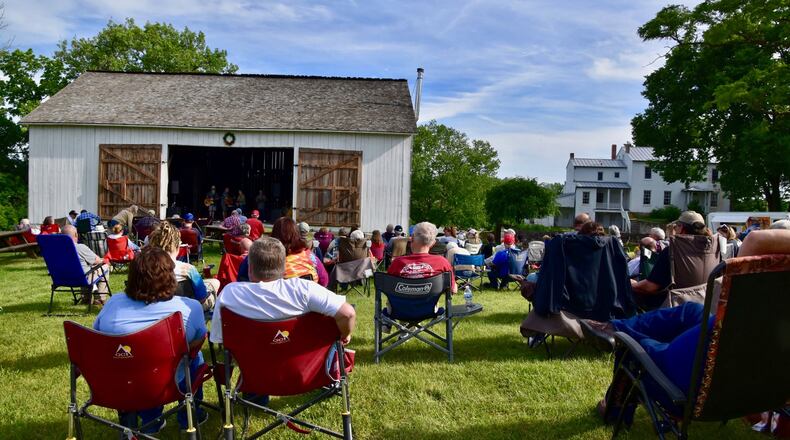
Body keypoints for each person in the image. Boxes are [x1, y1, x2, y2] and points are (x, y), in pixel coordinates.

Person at [584, 229, 790, 422]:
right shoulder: (770, 322)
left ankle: (613, 411)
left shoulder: (745, 323)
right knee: (690, 310)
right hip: (764, 374)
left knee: (634, 346)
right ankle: (613, 327)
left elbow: (756, 240)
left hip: (702, 383)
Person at [93, 247, 208, 434]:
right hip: (168, 383)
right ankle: (189, 415)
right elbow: (198, 341)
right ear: (170, 276)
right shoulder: (189, 307)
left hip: (121, 381)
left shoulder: (113, 303)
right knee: (194, 357)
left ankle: (150, 421)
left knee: (145, 362)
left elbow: (97, 338)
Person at [210, 237, 356, 351]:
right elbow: (348, 314)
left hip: (253, 374)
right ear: (283, 267)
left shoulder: (230, 293)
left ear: (250, 268)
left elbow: (221, 339)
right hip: (304, 371)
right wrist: (345, 335)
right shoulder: (303, 289)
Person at [630, 211, 711, 298]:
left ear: (681, 228)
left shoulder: (672, 252)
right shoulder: (712, 252)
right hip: (703, 304)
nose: (675, 229)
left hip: (674, 306)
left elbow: (650, 287)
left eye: (676, 226)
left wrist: (631, 284)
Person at [146, 221, 218, 311]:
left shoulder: (145, 268)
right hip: (187, 309)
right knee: (215, 283)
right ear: (177, 246)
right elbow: (202, 298)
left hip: (155, 307)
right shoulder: (188, 269)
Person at [387, 221, 457, 293]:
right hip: (430, 303)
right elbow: (453, 290)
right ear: (433, 243)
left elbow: (388, 286)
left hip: (401, 303)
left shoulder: (397, 262)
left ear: (412, 238)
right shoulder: (442, 262)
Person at [62, 225, 110, 305]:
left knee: (85, 269)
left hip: (61, 278)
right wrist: (104, 260)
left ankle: (86, 298)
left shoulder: (56, 249)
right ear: (76, 235)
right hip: (81, 279)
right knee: (105, 267)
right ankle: (99, 298)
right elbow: (97, 261)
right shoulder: (80, 247)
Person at [271, 217, 320, 282]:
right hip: (310, 289)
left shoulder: (269, 256)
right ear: (296, 231)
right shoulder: (308, 253)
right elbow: (324, 278)